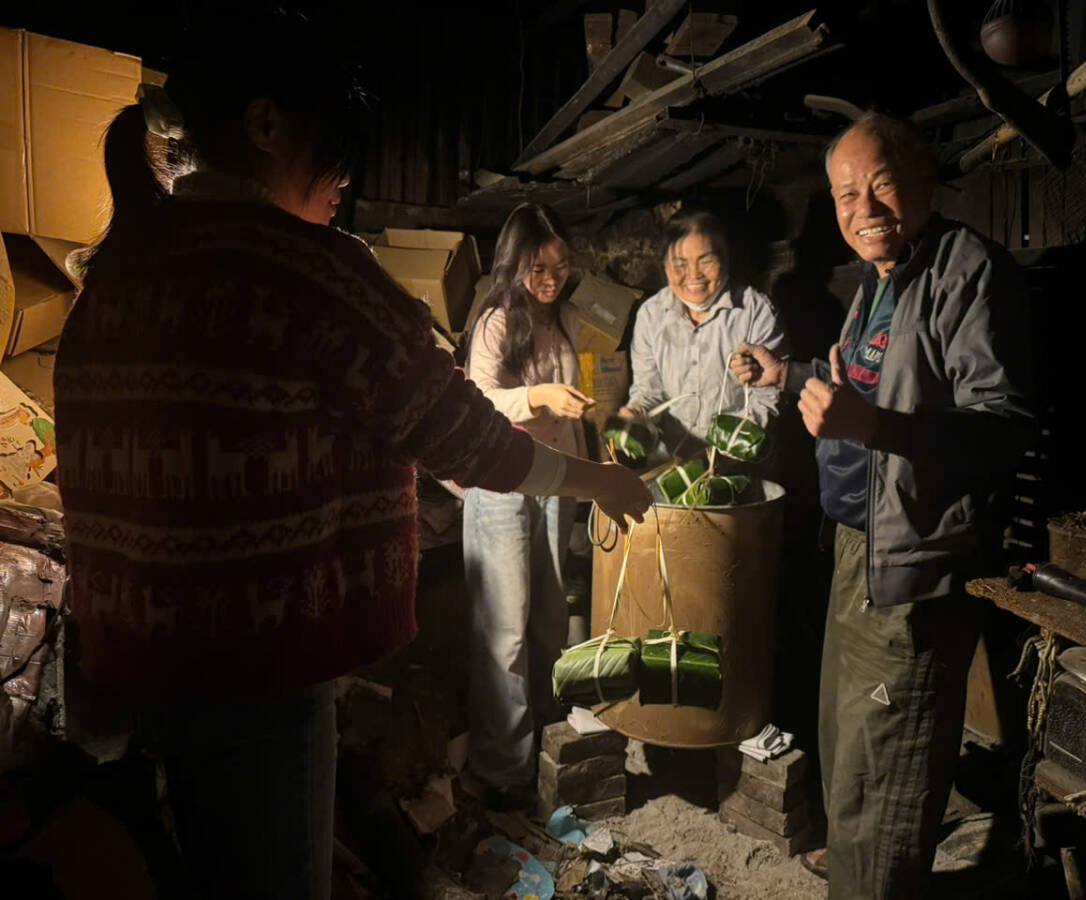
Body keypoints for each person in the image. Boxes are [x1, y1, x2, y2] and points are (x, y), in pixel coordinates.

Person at [51, 15, 650, 900]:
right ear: (265, 124)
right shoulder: (312, 271)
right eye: (333, 150)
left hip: (141, 660)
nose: (344, 179)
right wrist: (597, 480)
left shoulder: (120, 269)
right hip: (261, 665)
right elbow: (461, 431)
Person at [732, 113, 1036, 899]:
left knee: (889, 765)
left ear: (923, 180)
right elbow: (865, 390)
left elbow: (1001, 428)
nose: (862, 208)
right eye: (845, 194)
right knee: (848, 739)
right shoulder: (878, 278)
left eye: (882, 184)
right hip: (855, 547)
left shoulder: (969, 272)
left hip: (913, 563)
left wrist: (869, 427)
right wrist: (789, 375)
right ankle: (856, 869)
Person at [462, 203, 592, 809]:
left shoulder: (565, 319)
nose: (551, 280)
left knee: (548, 619)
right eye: (539, 269)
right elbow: (477, 400)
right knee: (506, 632)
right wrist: (537, 396)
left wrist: (590, 476)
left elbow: (573, 415)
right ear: (514, 264)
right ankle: (502, 770)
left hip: (553, 483)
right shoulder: (495, 322)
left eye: (560, 267)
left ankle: (545, 745)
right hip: (501, 486)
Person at [620, 211, 786, 463]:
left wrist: (724, 454)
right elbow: (648, 389)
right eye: (680, 264)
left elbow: (768, 399)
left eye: (705, 261)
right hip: (671, 464)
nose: (693, 275)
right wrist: (636, 414)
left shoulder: (755, 312)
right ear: (665, 266)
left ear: (725, 258)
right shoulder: (651, 315)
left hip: (737, 464)